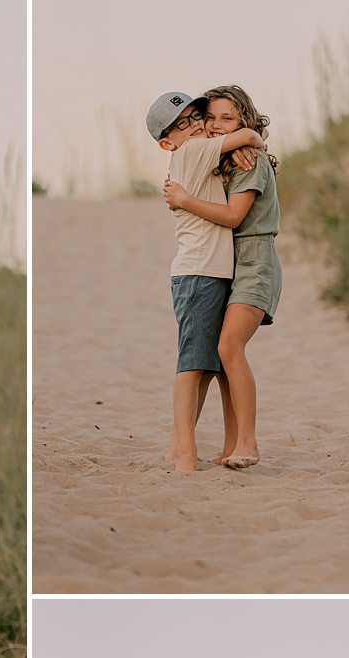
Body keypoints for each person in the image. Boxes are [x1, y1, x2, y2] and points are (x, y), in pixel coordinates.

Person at [143, 92, 266, 471]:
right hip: (199, 272)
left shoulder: (203, 155)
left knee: (204, 364)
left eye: (196, 116)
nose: (196, 124)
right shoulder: (190, 153)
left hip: (209, 272)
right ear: (168, 142)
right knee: (191, 365)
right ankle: (184, 455)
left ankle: (177, 446)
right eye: (182, 124)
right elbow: (245, 138)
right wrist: (254, 139)